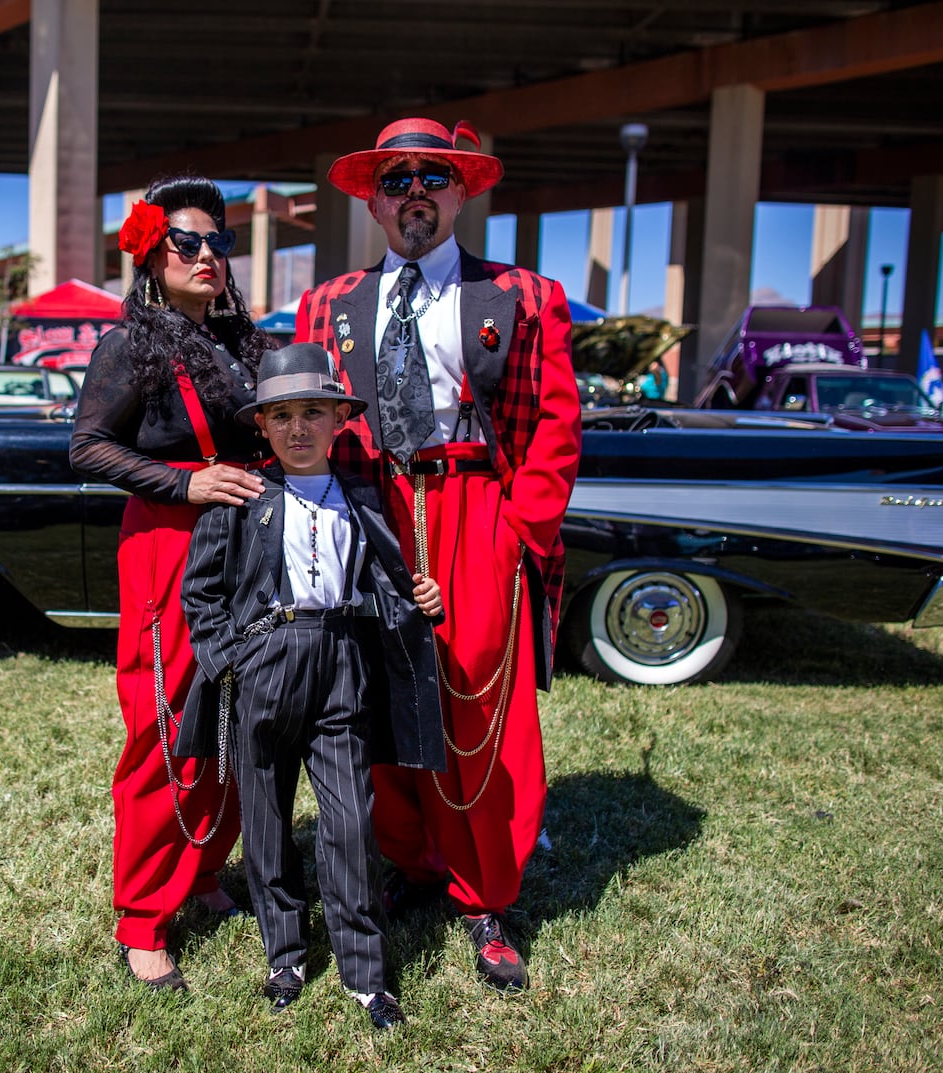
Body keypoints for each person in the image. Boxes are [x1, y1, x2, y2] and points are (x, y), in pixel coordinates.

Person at [294, 117, 583, 992]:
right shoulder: (328, 302)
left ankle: (486, 893)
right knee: (374, 696)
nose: (413, 192)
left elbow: (557, 427)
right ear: (373, 201)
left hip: (474, 507)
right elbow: (309, 416)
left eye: (431, 176)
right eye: (395, 179)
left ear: (461, 190)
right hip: (370, 506)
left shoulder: (524, 295)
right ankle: (410, 860)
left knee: (476, 697)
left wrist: (517, 531)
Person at [178, 343, 446, 1030]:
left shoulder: (359, 496)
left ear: (338, 421)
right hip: (265, 658)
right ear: (262, 426)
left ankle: (365, 972)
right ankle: (286, 952)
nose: (299, 428)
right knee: (266, 813)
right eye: (283, 415)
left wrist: (419, 597)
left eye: (314, 413)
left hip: (342, 660)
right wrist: (228, 657)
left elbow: (384, 578)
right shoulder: (242, 495)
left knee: (351, 818)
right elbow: (201, 591)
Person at [68, 175, 273, 991]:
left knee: (237, 718)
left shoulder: (238, 341)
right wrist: (184, 483)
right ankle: (143, 919)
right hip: (166, 547)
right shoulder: (128, 343)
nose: (206, 256)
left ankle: (203, 867)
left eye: (218, 243)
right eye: (186, 242)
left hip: (243, 548)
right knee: (165, 723)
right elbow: (86, 447)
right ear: (152, 254)